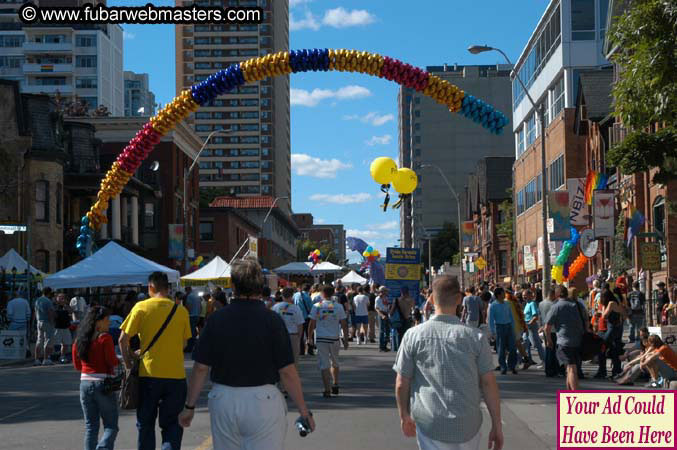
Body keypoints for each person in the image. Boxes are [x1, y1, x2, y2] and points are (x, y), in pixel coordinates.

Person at [180, 258, 315, 447]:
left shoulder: (217, 319)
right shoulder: (273, 320)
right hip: (263, 399)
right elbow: (287, 371)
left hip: (224, 398)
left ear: (233, 285)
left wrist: (189, 406)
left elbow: (201, 367)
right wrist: (303, 411)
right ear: (260, 286)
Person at [393, 275, 503, 450]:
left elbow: (401, 383)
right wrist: (497, 425)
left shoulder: (413, 336)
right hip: (468, 423)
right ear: (459, 299)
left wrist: (404, 415)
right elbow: (488, 383)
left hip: (430, 421)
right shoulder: (476, 338)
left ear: (431, 298)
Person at [119, 272, 192, 450]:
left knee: (145, 424)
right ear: (168, 288)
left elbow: (122, 340)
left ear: (151, 287)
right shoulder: (181, 311)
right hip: (175, 376)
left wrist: (129, 362)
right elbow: (183, 344)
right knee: (173, 426)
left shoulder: (141, 307)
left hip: (148, 375)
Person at [72, 306, 119, 450]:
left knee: (91, 427)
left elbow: (77, 366)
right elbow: (112, 361)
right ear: (98, 322)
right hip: (103, 384)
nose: (109, 323)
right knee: (111, 426)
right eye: (107, 320)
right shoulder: (105, 338)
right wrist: (120, 359)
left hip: (85, 383)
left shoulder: (79, 339)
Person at [308, 285, 349, 398]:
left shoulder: (317, 306)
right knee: (335, 362)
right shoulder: (338, 306)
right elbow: (344, 324)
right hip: (334, 338)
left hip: (321, 338)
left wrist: (309, 337)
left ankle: (327, 389)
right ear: (332, 293)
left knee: (324, 364)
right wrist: (345, 339)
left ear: (322, 293)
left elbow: (312, 322)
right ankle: (335, 383)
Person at [544, 285, 587, 390]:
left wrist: (549, 341)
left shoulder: (556, 306)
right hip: (578, 340)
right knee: (570, 368)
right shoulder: (577, 304)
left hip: (564, 342)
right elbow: (586, 321)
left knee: (571, 369)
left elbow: (547, 327)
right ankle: (569, 392)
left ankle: (575, 395)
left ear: (557, 294)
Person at [594, 290, 625, 379]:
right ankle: (616, 370)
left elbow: (604, 315)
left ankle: (603, 371)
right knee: (615, 349)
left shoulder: (611, 303)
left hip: (613, 328)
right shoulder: (614, 302)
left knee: (603, 347)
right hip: (615, 328)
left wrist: (601, 311)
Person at [272, 287, 305, 364]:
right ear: (292, 296)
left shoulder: (275, 307)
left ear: (282, 295)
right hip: (293, 336)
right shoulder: (296, 308)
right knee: (293, 361)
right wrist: (299, 338)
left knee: (279, 360)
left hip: (279, 336)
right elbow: (300, 325)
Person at [488, 287, 517, 375]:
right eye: (503, 293)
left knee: (512, 347)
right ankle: (503, 367)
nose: (505, 294)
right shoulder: (493, 305)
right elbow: (491, 320)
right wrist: (493, 331)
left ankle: (512, 366)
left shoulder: (507, 303)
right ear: (498, 295)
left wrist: (513, 327)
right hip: (499, 327)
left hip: (508, 326)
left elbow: (511, 316)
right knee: (501, 348)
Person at [523, 289, 545, 365]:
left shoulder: (532, 303)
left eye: (525, 295)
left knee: (536, 344)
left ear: (530, 295)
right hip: (526, 326)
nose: (524, 297)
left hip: (531, 326)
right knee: (525, 342)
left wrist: (529, 324)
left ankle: (544, 360)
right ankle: (526, 360)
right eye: (523, 295)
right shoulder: (527, 304)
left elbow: (535, 317)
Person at [34, 287, 56, 366]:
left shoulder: (37, 300)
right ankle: (46, 359)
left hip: (39, 321)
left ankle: (37, 359)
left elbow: (35, 312)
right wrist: (52, 322)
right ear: (49, 293)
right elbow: (50, 312)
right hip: (47, 322)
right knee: (48, 340)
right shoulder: (48, 301)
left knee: (39, 340)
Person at [389, 286, 415, 352]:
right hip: (408, 320)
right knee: (407, 335)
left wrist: (390, 316)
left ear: (401, 292)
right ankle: (405, 349)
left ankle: (400, 349)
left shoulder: (397, 300)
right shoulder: (411, 300)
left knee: (399, 335)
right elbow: (413, 311)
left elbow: (391, 312)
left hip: (399, 320)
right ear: (408, 292)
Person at [294, 284, 315, 356]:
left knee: (300, 334)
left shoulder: (295, 295)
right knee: (310, 333)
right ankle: (310, 349)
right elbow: (311, 308)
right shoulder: (308, 296)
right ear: (309, 289)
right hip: (306, 317)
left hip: (297, 317)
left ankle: (301, 350)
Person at [52, 292, 74, 364]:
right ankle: (52, 356)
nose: (62, 299)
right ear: (57, 299)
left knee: (65, 344)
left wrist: (65, 305)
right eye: (61, 298)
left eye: (63, 298)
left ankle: (62, 356)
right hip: (57, 327)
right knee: (55, 343)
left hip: (65, 327)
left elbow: (71, 311)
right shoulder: (54, 306)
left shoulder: (66, 306)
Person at [184, 286, 202, 353]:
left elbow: (188, 306)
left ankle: (190, 348)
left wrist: (186, 313)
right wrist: (198, 314)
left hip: (191, 316)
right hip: (197, 315)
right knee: (194, 331)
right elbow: (201, 306)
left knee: (190, 332)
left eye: (186, 291)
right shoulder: (197, 296)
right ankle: (195, 346)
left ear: (188, 290)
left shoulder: (189, 296)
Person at [375, 286, 391, 352]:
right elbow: (377, 308)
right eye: (385, 291)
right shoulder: (378, 298)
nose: (386, 292)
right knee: (382, 331)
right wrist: (382, 315)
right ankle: (381, 347)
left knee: (387, 330)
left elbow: (388, 306)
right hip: (381, 314)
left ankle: (384, 345)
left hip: (386, 313)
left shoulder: (386, 298)